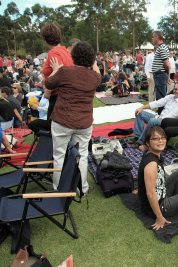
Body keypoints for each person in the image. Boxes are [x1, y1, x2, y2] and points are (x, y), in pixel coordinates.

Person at [44, 41, 101, 195]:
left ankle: (59, 189)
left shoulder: (65, 72)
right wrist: (94, 62)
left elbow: (48, 83)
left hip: (62, 120)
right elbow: (98, 74)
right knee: (82, 156)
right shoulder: (94, 77)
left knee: (59, 156)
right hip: (83, 123)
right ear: (91, 59)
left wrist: (56, 69)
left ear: (73, 56)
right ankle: (82, 187)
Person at [137, 126, 178, 230]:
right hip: (160, 206)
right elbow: (150, 193)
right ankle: (175, 208)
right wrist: (159, 217)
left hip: (162, 193)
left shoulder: (153, 155)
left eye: (162, 138)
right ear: (148, 143)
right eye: (155, 138)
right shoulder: (151, 164)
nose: (160, 141)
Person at [133, 82, 178, 151]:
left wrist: (157, 118)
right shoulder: (170, 97)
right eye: (175, 89)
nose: (176, 91)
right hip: (159, 118)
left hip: (168, 123)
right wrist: (142, 108)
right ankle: (138, 138)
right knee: (140, 113)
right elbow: (157, 103)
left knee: (153, 121)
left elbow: (169, 118)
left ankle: (141, 142)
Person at [41, 23, 74, 120]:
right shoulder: (65, 51)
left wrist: (48, 90)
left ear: (45, 39)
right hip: (66, 95)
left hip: (57, 97)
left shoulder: (54, 52)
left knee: (53, 130)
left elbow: (60, 71)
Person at [151, 31, 169, 100]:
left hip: (160, 75)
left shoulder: (162, 48)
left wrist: (165, 74)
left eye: (153, 37)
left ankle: (162, 110)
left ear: (157, 37)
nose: (152, 39)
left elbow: (166, 64)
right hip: (159, 75)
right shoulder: (161, 47)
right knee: (159, 96)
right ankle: (161, 110)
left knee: (161, 98)